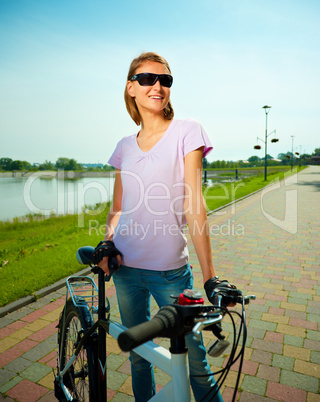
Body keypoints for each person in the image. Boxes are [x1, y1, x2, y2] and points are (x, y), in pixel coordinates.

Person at [94, 52, 234, 401]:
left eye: (165, 80)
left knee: (197, 366)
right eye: (147, 79)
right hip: (126, 271)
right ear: (131, 88)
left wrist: (209, 277)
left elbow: (194, 204)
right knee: (139, 359)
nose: (157, 86)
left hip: (170, 274)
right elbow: (117, 209)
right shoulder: (124, 147)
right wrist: (108, 240)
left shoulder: (187, 131)